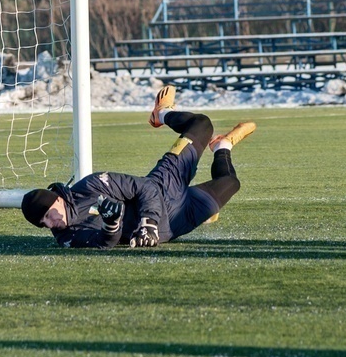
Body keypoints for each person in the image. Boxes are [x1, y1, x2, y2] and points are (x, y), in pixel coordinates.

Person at [20, 86, 256, 248]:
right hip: (177, 221)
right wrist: (111, 225)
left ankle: (162, 113)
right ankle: (223, 146)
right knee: (231, 183)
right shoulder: (66, 237)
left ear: (56, 199)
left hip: (164, 183)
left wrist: (148, 223)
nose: (51, 225)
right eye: (45, 224)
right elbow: (103, 243)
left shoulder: (93, 184)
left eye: (49, 215)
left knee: (202, 124)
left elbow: (145, 188)